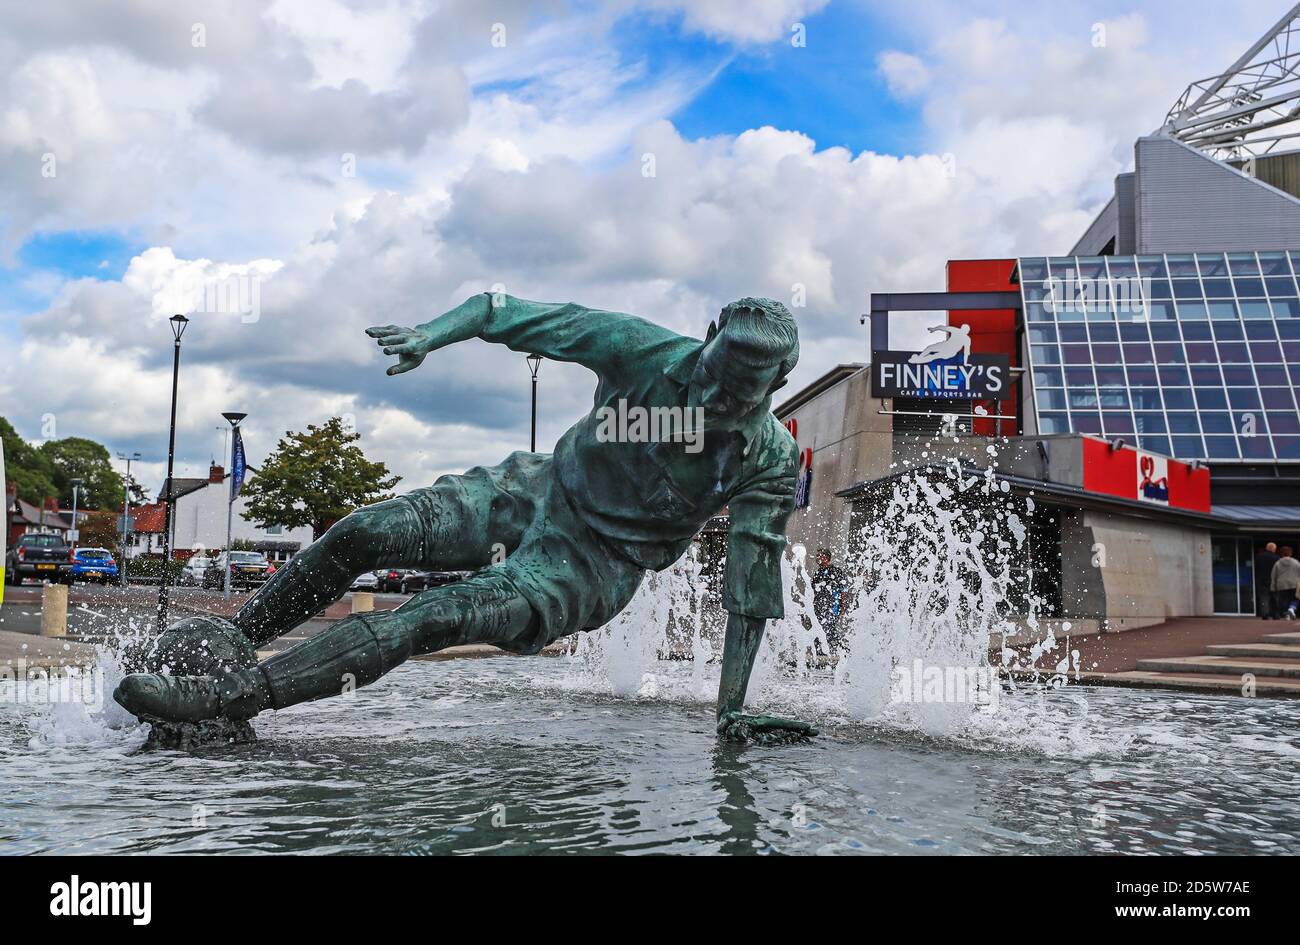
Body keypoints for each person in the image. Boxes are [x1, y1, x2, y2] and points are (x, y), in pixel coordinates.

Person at [115, 294, 816, 742]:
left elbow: (748, 595)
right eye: (710, 372)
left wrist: (730, 711)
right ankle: (233, 637)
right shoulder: (644, 349)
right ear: (709, 334)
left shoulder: (768, 461)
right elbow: (497, 310)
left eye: (735, 393)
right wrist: (429, 334)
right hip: (536, 490)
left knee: (430, 616)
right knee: (365, 531)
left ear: (774, 387)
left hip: (587, 568)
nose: (710, 394)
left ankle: (221, 696)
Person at [811, 547, 849, 652]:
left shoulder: (836, 571)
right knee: (819, 629)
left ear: (826, 557)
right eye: (817, 555)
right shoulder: (817, 574)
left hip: (832, 606)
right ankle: (821, 653)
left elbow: (844, 589)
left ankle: (839, 651)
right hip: (819, 607)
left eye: (820, 555)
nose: (817, 557)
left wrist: (843, 606)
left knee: (830, 629)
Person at [1271, 546, 1300, 622]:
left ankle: (1287, 614)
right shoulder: (1296, 562)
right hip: (1294, 584)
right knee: (1295, 598)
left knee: (1284, 601)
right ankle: (1292, 609)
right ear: (1290, 553)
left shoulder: (1277, 563)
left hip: (1281, 585)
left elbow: (1274, 575)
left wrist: (1273, 587)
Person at [1255, 542, 1280, 619]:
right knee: (1274, 597)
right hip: (1273, 580)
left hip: (1261, 579)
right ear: (1273, 549)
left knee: (1263, 597)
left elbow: (1256, 568)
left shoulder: (1259, 556)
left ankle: (1265, 613)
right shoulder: (1276, 558)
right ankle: (1275, 615)